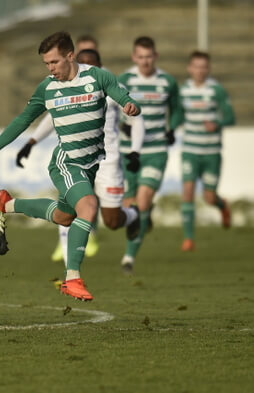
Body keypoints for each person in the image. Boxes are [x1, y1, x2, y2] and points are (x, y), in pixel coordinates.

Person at [0, 31, 141, 301]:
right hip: (66, 162)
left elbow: (122, 95)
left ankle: (5, 204)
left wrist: (131, 106)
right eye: (46, 64)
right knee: (88, 207)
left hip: (91, 163)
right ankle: (72, 278)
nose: (50, 69)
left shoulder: (98, 77)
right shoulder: (47, 87)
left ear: (70, 56)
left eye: (54, 62)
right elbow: (22, 120)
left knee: (65, 217)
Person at [15, 49, 145, 270]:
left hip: (108, 159)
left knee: (112, 221)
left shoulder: (108, 83)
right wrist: (32, 141)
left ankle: (133, 215)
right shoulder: (65, 85)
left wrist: (135, 151)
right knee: (71, 208)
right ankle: (71, 270)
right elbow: (50, 115)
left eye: (90, 64)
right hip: (75, 157)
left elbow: (136, 119)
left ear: (99, 65)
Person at [118, 36, 183, 274]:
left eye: (149, 56)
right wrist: (121, 126)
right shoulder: (124, 80)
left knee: (142, 202)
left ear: (155, 56)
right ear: (134, 57)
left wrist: (172, 129)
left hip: (156, 150)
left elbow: (177, 110)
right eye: (141, 57)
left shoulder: (167, 81)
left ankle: (128, 258)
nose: (145, 61)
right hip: (128, 151)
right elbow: (110, 108)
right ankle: (144, 216)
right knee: (129, 206)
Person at [179, 50, 234, 251]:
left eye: (204, 67)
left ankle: (222, 205)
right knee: (187, 191)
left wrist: (217, 123)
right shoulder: (183, 90)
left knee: (209, 197)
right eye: (196, 66)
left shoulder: (216, 90)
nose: (200, 71)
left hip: (211, 152)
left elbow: (231, 117)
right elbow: (178, 115)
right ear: (190, 68)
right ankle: (188, 239)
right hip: (190, 150)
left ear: (208, 69)